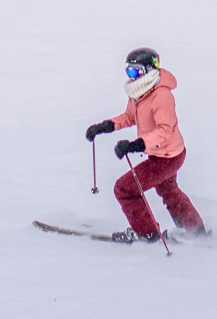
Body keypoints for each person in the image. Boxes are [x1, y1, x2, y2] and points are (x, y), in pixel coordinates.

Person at [84, 48, 207, 243]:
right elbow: (130, 116)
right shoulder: (139, 91)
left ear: (148, 70)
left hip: (168, 156)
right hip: (161, 153)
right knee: (168, 190)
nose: (131, 77)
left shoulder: (161, 96)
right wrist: (105, 126)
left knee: (125, 188)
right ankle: (196, 230)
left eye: (134, 72)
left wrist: (135, 145)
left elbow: (165, 130)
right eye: (128, 72)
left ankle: (146, 233)